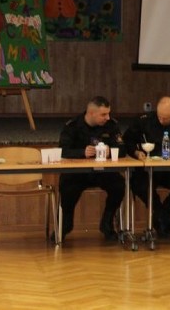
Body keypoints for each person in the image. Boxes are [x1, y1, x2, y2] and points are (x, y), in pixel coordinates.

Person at [123, 96, 170, 238]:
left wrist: (160, 154)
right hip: (146, 171)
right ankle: (163, 219)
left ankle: (160, 216)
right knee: (140, 186)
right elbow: (127, 141)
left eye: (165, 118)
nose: (161, 120)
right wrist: (136, 152)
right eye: (159, 116)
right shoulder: (144, 121)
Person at [57, 96, 125, 241]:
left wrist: (110, 151)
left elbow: (122, 148)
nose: (107, 117)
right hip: (77, 174)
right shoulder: (72, 126)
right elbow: (62, 150)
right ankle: (64, 226)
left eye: (108, 113)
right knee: (67, 188)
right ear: (91, 113)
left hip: (103, 172)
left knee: (119, 185)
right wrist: (82, 152)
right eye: (103, 114)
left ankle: (107, 223)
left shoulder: (111, 125)